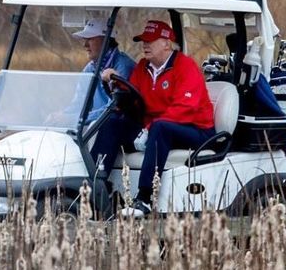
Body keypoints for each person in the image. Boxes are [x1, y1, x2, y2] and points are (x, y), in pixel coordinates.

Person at [92, 20, 216, 217]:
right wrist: (116, 84)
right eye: (143, 41)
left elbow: (185, 108)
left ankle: (145, 197)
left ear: (167, 43)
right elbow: (133, 99)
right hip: (155, 127)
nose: (145, 45)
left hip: (196, 129)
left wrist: (148, 128)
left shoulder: (186, 67)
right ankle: (96, 185)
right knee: (113, 122)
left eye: (150, 41)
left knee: (160, 127)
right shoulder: (143, 67)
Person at [70, 18, 136, 123]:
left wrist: (76, 118)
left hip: (116, 128)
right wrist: (61, 116)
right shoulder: (90, 68)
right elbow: (78, 103)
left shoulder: (123, 66)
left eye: (90, 39)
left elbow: (112, 109)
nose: (85, 45)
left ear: (106, 40)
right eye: (85, 39)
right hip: (94, 128)